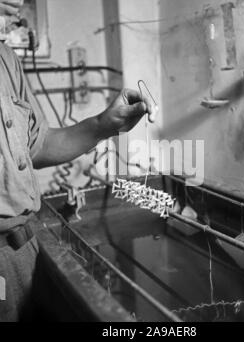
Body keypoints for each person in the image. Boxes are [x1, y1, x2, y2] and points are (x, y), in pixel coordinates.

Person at [0, 0, 153, 321]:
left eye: (14, 13)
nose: (16, 9)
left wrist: (104, 124)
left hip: (22, 252)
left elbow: (37, 146)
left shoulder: (6, 60)